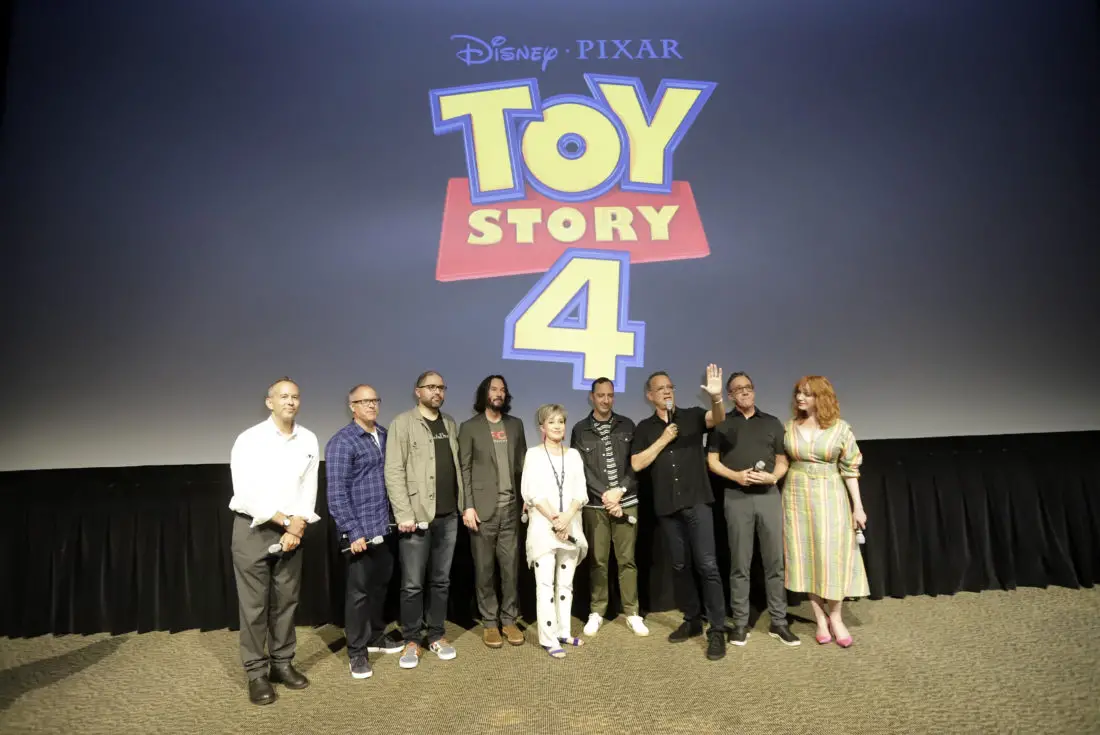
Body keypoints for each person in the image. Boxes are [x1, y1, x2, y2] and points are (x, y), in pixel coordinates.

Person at [228, 377, 319, 705]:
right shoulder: (249, 439)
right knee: (254, 607)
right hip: (254, 530)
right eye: (283, 396)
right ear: (270, 402)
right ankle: (256, 673)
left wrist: (297, 526)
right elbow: (244, 493)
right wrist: (284, 521)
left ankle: (282, 663)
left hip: (293, 531)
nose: (290, 402)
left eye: (295, 396)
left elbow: (309, 488)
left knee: (286, 602)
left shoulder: (308, 438)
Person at [631, 366, 729, 661]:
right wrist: (663, 439)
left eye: (670, 387)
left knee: (708, 565)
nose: (667, 391)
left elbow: (718, 418)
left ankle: (717, 629)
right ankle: (692, 619)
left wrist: (717, 398)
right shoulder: (644, 428)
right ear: (649, 396)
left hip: (696, 500)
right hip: (667, 507)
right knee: (679, 565)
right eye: (660, 388)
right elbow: (636, 464)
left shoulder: (692, 416)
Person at [706, 372, 798, 647]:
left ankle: (779, 622)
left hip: (768, 496)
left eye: (748, 387)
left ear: (754, 391)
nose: (744, 392)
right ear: (730, 396)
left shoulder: (771, 422)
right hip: (737, 498)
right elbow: (712, 461)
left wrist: (773, 477)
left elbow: (782, 460)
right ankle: (740, 623)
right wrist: (735, 476)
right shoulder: (722, 424)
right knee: (740, 564)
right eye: (738, 389)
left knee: (774, 563)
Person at [384, 371, 464, 669]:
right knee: (412, 584)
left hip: (449, 516)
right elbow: (394, 471)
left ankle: (437, 635)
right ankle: (412, 639)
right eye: (431, 387)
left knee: (441, 581)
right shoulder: (402, 423)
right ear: (418, 392)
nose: (437, 392)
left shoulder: (449, 423)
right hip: (416, 518)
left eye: (441, 387)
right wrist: (403, 514)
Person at [325, 384, 404, 681]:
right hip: (359, 531)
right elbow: (336, 492)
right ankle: (356, 652)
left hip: (384, 527)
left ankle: (375, 636)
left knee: (380, 586)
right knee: (358, 594)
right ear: (352, 407)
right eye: (364, 401)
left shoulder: (384, 435)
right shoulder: (342, 442)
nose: (371, 405)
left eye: (374, 400)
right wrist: (352, 530)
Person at [783, 375, 868, 648]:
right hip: (796, 497)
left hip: (831, 496)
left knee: (832, 557)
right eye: (798, 392)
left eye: (807, 393)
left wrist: (858, 507)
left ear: (821, 397)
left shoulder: (840, 429)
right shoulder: (789, 427)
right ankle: (820, 619)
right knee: (806, 556)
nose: (800, 398)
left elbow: (850, 469)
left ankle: (836, 617)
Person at [570, 377, 648, 637]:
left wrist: (620, 492)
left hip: (627, 502)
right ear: (591, 397)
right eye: (601, 395)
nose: (606, 400)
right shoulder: (580, 429)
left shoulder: (627, 425)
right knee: (598, 561)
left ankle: (632, 612)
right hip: (596, 506)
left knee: (627, 561)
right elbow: (581, 470)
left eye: (610, 395)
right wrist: (606, 497)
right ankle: (597, 611)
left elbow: (635, 465)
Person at [458, 375, 527, 648]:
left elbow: (522, 464)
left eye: (502, 389)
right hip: (482, 511)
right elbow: (464, 469)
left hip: (511, 509)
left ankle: (509, 620)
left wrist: (527, 497)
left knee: (510, 570)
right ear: (484, 393)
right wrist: (467, 505)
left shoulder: (516, 424)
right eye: (493, 389)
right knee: (484, 570)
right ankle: (489, 622)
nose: (498, 393)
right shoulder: (469, 427)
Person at [521, 404, 589, 659]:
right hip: (544, 529)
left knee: (566, 584)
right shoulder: (533, 455)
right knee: (545, 585)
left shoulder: (574, 455)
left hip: (571, 526)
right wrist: (554, 520)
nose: (558, 426)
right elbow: (531, 492)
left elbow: (580, 492)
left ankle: (563, 632)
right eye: (552, 422)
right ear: (542, 427)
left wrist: (567, 518)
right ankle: (548, 639)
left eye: (561, 421)